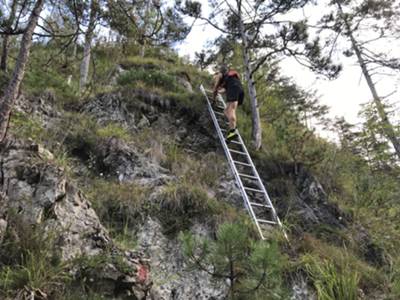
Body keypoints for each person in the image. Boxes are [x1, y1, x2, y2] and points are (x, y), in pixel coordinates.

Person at [213, 65, 245, 141]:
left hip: (234, 88)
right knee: (226, 111)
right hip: (239, 89)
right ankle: (233, 126)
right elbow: (224, 89)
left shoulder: (219, 75)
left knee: (231, 110)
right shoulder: (230, 77)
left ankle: (232, 132)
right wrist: (219, 91)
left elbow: (215, 88)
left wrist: (214, 99)